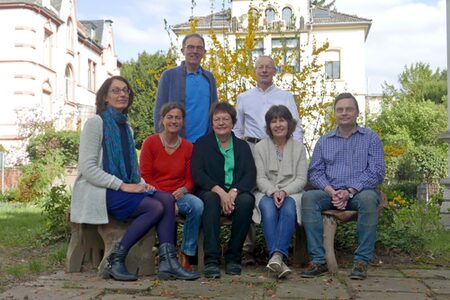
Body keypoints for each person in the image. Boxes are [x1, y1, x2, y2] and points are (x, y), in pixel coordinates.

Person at [70, 76, 200, 281]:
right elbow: (88, 168)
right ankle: (116, 259)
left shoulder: (126, 128)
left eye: (125, 91)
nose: (122, 94)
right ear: (104, 97)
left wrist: (141, 185)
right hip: (99, 191)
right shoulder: (95, 123)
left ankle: (168, 262)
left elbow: (131, 170)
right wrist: (123, 186)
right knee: (155, 207)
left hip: (122, 188)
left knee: (165, 198)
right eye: (116, 91)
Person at [301, 92, 385, 280]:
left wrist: (349, 191)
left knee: (371, 198)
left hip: (359, 194)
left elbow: (377, 171)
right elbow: (314, 172)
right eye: (340, 110)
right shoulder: (324, 141)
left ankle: (361, 262)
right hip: (330, 193)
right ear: (335, 114)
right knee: (308, 198)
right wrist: (331, 192)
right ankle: (318, 260)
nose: (344, 113)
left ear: (357, 113)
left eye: (349, 109)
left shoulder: (371, 138)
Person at [233, 55, 304, 265]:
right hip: (253, 147)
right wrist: (240, 153)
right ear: (254, 71)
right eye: (260, 67)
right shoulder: (244, 97)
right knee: (252, 194)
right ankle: (248, 249)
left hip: (284, 147)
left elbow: (296, 126)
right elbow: (237, 129)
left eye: (268, 67)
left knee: (284, 193)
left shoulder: (285, 96)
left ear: (275, 71)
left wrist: (294, 150)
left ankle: (282, 246)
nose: (264, 71)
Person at [191, 102, 256, 279]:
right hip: (210, 190)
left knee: (247, 201)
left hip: (235, 192)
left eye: (225, 119)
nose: (221, 123)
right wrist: (220, 192)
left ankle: (233, 257)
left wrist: (234, 192)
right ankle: (211, 260)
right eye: (217, 119)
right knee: (211, 199)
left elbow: (250, 174)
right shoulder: (202, 144)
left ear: (233, 122)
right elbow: (197, 173)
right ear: (211, 123)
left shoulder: (242, 146)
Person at [140, 103, 204, 272]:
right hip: (155, 194)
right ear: (162, 120)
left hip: (180, 194)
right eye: (170, 117)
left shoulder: (189, 147)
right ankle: (166, 254)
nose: (173, 121)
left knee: (197, 205)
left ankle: (185, 254)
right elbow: (146, 176)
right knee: (162, 207)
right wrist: (167, 199)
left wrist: (183, 191)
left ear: (182, 122)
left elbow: (191, 179)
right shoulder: (150, 143)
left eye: (178, 118)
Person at [252, 105, 307, 279]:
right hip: (266, 192)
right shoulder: (260, 147)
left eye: (281, 120)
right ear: (268, 126)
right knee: (268, 209)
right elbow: (260, 178)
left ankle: (275, 257)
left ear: (289, 123)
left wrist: (284, 192)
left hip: (292, 193)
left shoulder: (299, 148)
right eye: (273, 121)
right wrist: (273, 191)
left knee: (289, 208)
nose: (278, 124)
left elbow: (301, 179)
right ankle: (279, 258)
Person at [154, 33, 218, 143]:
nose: (195, 51)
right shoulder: (169, 76)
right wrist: (163, 139)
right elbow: (159, 110)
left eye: (199, 48)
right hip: (175, 143)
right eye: (190, 47)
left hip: (204, 143)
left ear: (204, 52)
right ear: (183, 51)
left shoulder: (209, 78)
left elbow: (215, 110)